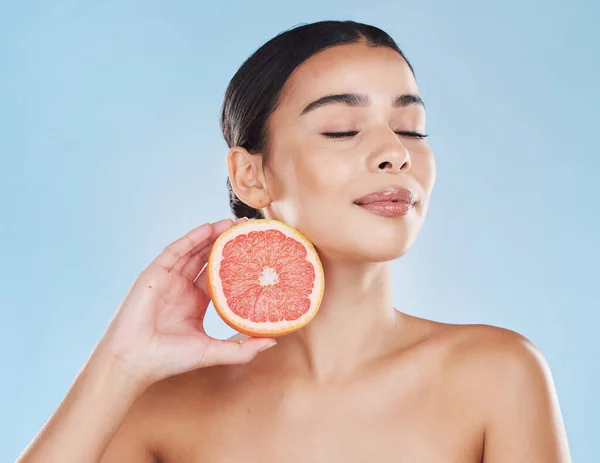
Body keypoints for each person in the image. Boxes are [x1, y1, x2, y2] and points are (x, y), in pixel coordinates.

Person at [17, 20, 571, 463]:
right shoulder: (160, 408)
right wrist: (119, 365)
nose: (395, 153)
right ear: (251, 176)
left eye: (411, 128)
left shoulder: (498, 374)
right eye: (340, 130)